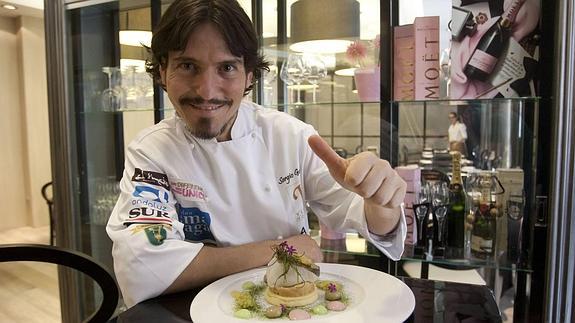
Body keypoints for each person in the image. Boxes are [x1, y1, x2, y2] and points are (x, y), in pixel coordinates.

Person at [106, 0, 407, 308]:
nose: (207, 90)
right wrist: (281, 249)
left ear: (250, 75)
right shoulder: (152, 151)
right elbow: (140, 265)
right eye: (187, 66)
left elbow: (371, 220)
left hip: (293, 308)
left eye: (226, 68)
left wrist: (381, 202)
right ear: (162, 72)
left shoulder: (289, 135)